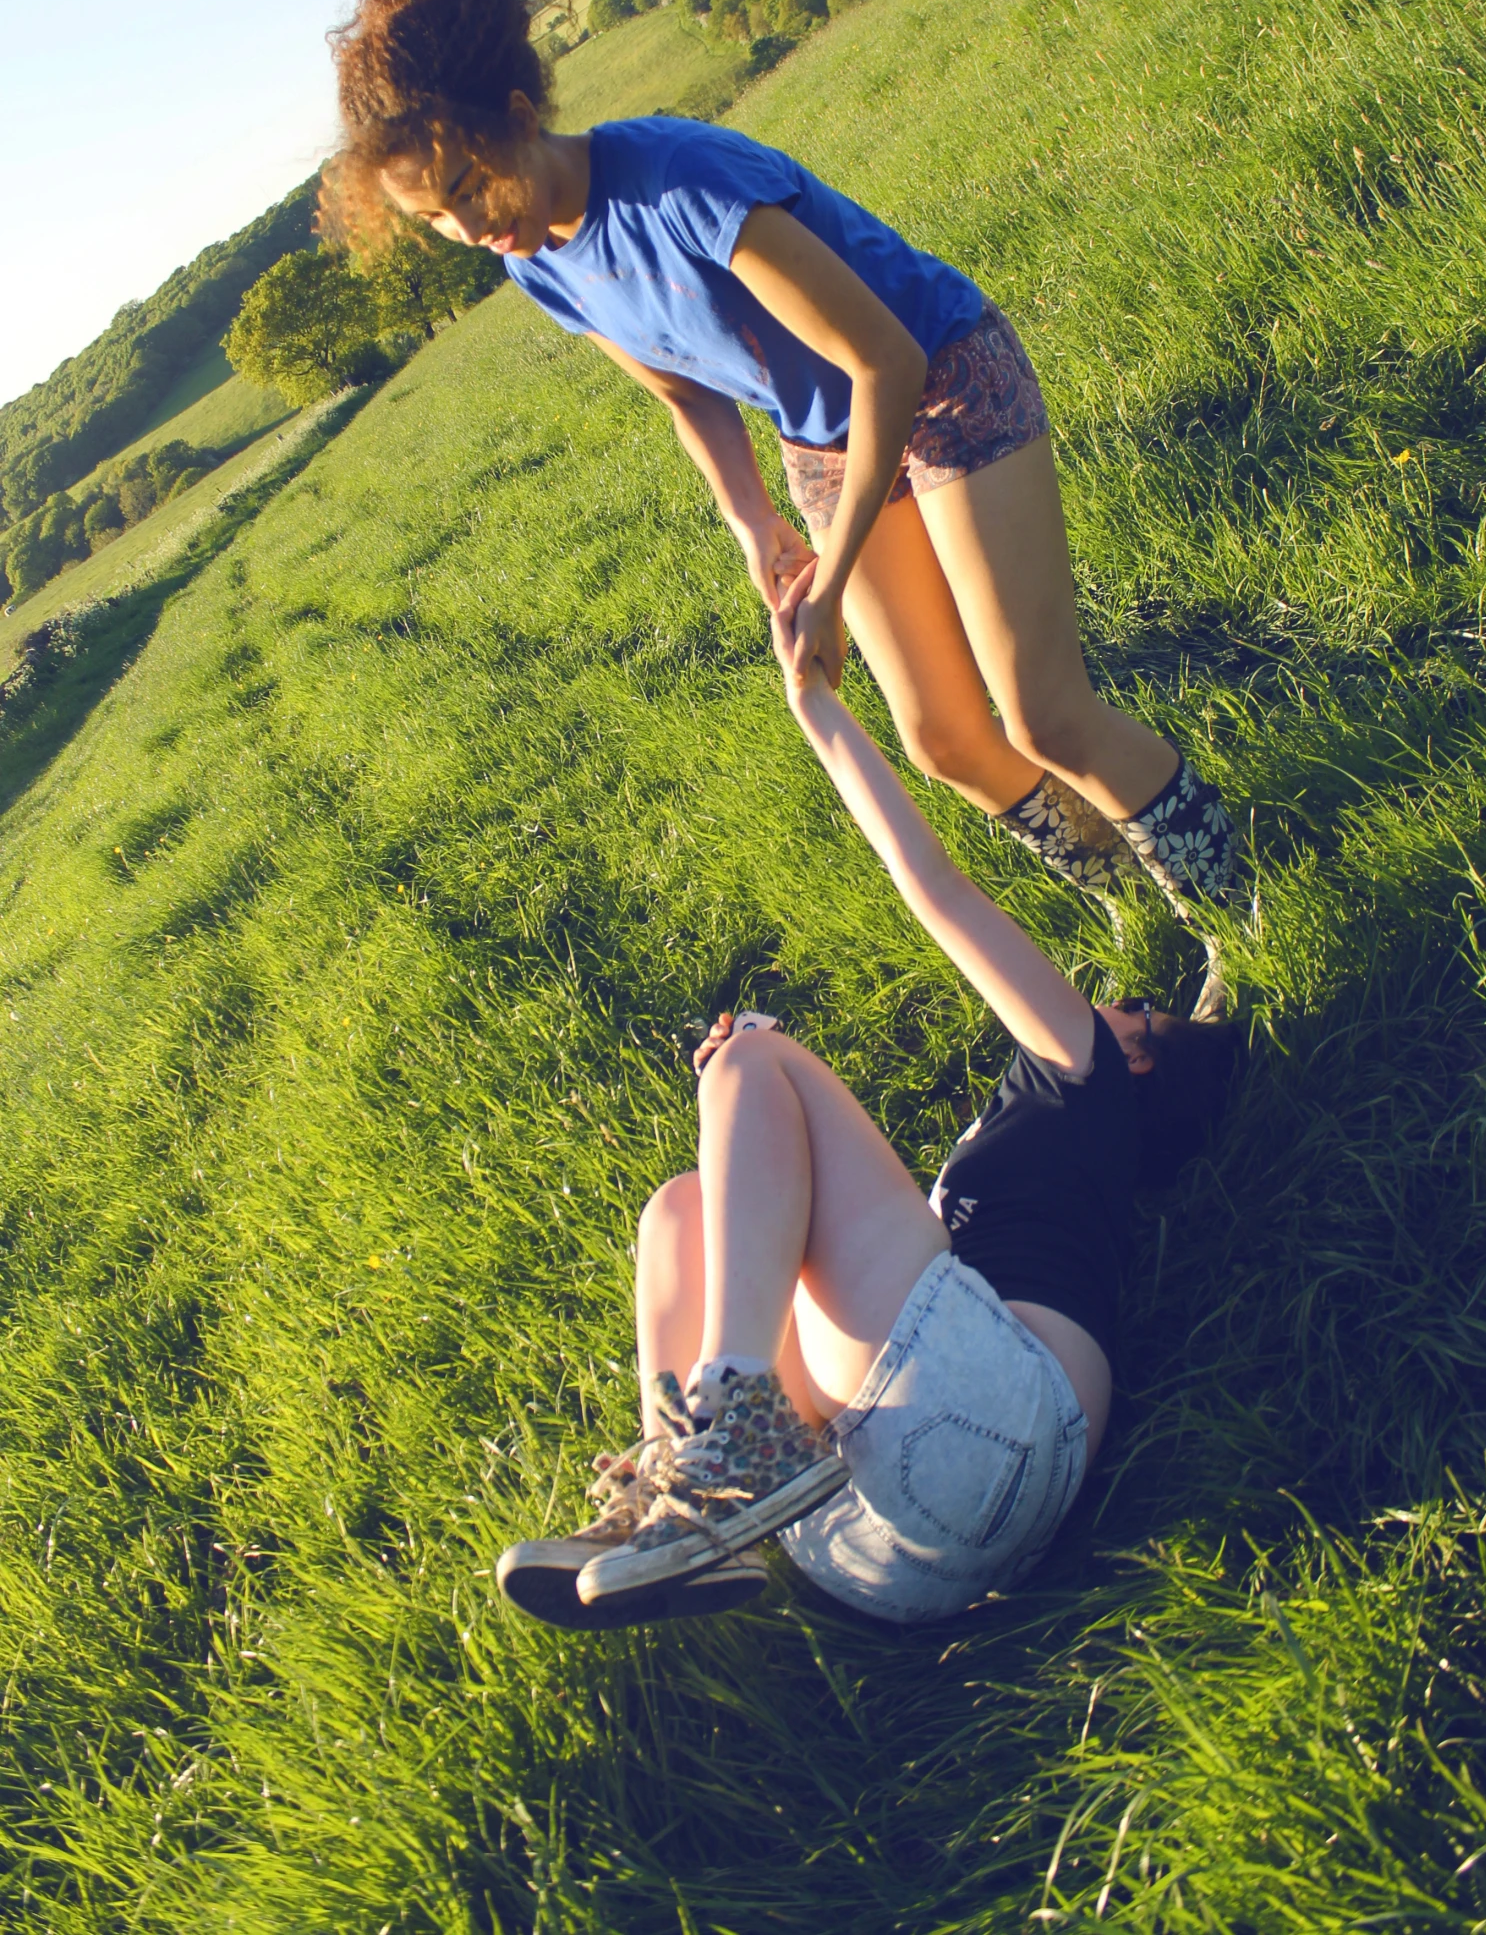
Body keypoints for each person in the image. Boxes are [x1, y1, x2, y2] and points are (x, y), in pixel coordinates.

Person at [322, 0, 1238, 918]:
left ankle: (1235, 905)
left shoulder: (681, 180)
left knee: (1043, 714)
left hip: (942, 378)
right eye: (434, 221)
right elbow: (686, 392)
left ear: (513, 120)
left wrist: (832, 582)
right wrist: (754, 522)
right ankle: (1131, 899)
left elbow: (883, 360)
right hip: (826, 445)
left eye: (468, 190)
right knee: (942, 741)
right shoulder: (535, 259)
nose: (467, 228)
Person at [495, 612, 1243, 1631]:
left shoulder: (1088, 1069)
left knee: (760, 1064)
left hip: (1002, 1417)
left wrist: (818, 709)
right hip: (887, 1536)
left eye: (1133, 1005)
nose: (1106, 1001)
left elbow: (933, 885)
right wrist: (750, 1091)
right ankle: (687, 1503)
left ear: (1140, 1050)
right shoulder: (1044, 1182)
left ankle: (731, 1436)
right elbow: (817, 1218)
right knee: (685, 1205)